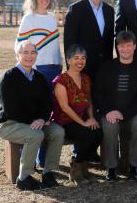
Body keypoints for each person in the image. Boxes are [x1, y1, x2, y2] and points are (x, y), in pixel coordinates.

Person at [0, 40, 65, 191]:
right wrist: (33, 121)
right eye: (25, 52)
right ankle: (24, 178)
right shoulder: (8, 77)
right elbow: (10, 109)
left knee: (58, 132)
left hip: (35, 123)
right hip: (9, 123)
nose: (29, 56)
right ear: (17, 55)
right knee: (35, 135)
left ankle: (48, 173)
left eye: (33, 52)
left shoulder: (39, 77)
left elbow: (47, 103)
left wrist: (43, 118)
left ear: (37, 55)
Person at [63, 0, 114, 162]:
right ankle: (80, 150)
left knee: (98, 106)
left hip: (103, 70)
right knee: (81, 107)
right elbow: (69, 42)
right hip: (81, 68)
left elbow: (108, 42)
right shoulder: (76, 10)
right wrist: (72, 67)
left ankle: (93, 149)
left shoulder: (109, 11)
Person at [15, 0, 63, 167]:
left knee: (48, 116)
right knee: (32, 115)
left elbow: (54, 45)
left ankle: (42, 159)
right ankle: (27, 159)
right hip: (37, 71)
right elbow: (18, 47)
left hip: (53, 70)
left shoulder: (52, 18)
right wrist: (25, 70)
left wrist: (59, 65)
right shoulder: (29, 18)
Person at [94, 31, 137, 181]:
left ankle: (134, 166)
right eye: (121, 46)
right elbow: (98, 94)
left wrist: (124, 114)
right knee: (111, 125)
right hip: (110, 113)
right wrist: (108, 111)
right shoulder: (106, 67)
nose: (125, 49)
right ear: (117, 48)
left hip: (133, 114)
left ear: (134, 46)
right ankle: (111, 168)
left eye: (128, 45)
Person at [51, 44, 102, 184]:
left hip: (83, 118)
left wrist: (91, 118)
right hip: (64, 121)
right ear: (68, 60)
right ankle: (75, 171)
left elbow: (89, 102)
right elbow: (65, 107)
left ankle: (83, 167)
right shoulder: (61, 81)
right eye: (76, 58)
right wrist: (84, 123)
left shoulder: (85, 78)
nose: (80, 61)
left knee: (99, 131)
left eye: (83, 58)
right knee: (88, 133)